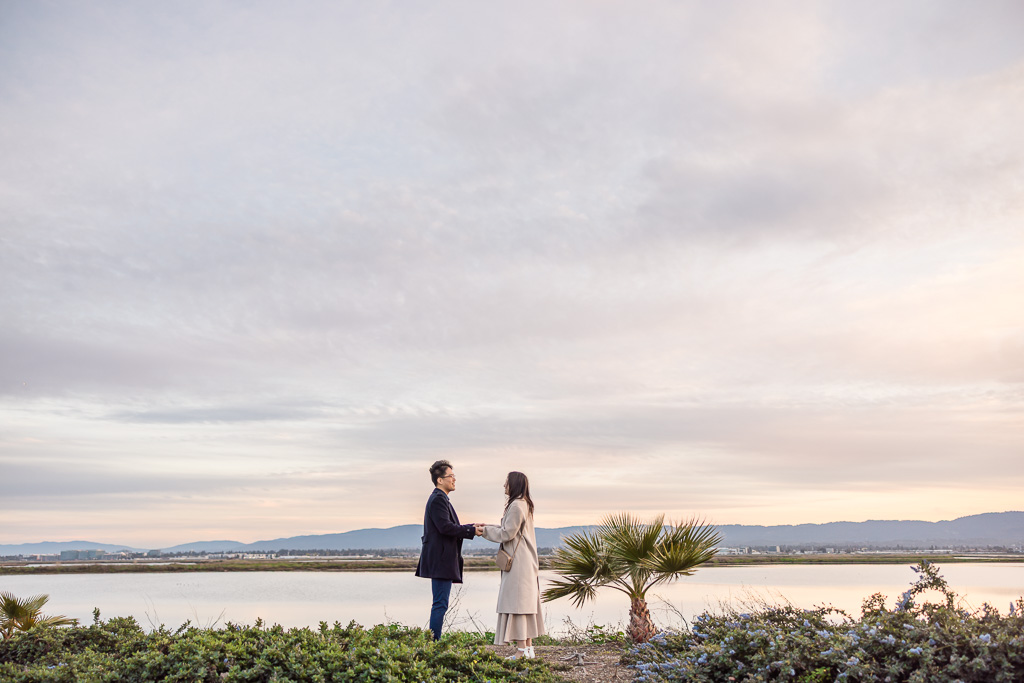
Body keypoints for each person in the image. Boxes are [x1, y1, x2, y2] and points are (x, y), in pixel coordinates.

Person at [415, 459, 483, 640]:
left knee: (440, 603)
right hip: (441, 560)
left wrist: (472, 526)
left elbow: (449, 525)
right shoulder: (438, 499)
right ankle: (434, 644)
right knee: (440, 604)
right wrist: (471, 531)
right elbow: (445, 527)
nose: (454, 480)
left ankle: (433, 642)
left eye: (454, 476)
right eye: (451, 476)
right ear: (440, 480)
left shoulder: (441, 499)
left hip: (441, 559)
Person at [481, 471, 546, 659]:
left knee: (517, 605)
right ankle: (527, 649)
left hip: (519, 564)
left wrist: (483, 532)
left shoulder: (517, 505)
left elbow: (507, 533)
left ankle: (520, 651)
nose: (504, 486)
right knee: (524, 604)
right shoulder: (524, 504)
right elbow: (510, 529)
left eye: (506, 482)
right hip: (526, 561)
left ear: (514, 484)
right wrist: (486, 526)